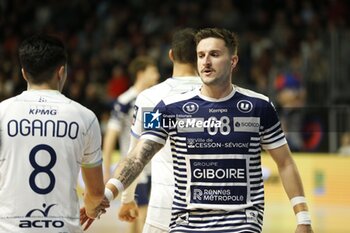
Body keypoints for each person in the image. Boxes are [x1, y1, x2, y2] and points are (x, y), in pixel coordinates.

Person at [89, 28, 314, 233]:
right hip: (186, 224)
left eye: (214, 55)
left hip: (241, 223)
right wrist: (108, 194)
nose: (206, 61)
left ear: (233, 61)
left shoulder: (260, 106)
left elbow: (285, 163)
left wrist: (302, 217)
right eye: (201, 55)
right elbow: (138, 156)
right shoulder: (168, 107)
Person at [0, 34, 105, 232]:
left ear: (23, 73)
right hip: (62, 227)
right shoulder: (85, 117)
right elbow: (96, 193)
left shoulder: (2, 113)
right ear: (61, 72)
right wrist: (92, 209)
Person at [117, 28, 201, 233]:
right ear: (200, 56)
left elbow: (135, 154)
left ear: (171, 55)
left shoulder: (151, 98)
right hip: (210, 212)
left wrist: (127, 199)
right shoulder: (219, 95)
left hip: (164, 211)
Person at [103, 56, 160, 233]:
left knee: (138, 214)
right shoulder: (125, 101)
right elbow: (111, 136)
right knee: (141, 213)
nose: (157, 75)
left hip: (154, 167)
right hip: (135, 167)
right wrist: (107, 170)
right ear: (141, 73)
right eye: (153, 71)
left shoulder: (155, 99)